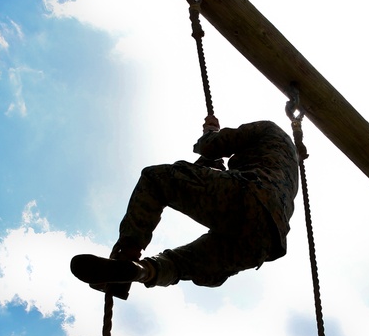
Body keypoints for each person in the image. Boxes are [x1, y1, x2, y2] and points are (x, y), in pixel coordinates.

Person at [70, 117, 299, 299]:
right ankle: (141, 272)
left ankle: (127, 254)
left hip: (248, 194)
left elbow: (212, 146)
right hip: (266, 243)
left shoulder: (268, 129)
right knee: (181, 264)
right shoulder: (287, 167)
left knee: (155, 178)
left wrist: (209, 131)